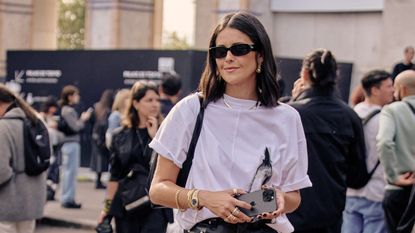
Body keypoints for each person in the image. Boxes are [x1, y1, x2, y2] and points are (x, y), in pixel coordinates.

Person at [148, 12, 312, 233]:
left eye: (239, 49)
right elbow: (158, 189)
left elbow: (294, 197)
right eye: (220, 51)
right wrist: (205, 198)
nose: (228, 58)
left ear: (260, 55)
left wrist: (277, 198)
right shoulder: (191, 110)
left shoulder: (287, 118)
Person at [287, 49, 367, 233]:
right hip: (330, 218)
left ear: (305, 74)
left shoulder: (289, 113)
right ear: (336, 76)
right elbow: (358, 177)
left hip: (290, 215)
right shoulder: (350, 116)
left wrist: (293, 99)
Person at [98, 81, 173, 233]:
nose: (155, 104)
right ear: (136, 104)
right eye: (149, 100)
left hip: (155, 206)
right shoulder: (120, 135)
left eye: (157, 100)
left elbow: (169, 167)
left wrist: (155, 139)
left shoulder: (165, 133)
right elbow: (114, 176)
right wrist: (106, 209)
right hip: (127, 204)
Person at [341, 70, 394, 233]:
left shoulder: (351, 114)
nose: (393, 90)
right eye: (389, 86)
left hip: (350, 189)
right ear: (375, 90)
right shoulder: (386, 118)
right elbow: (387, 148)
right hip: (376, 190)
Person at [0, 84, 46, 233]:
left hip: (8, 203)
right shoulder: (35, 122)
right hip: (32, 200)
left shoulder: (3, 127)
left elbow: (2, 171)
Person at [377, 70, 415, 233]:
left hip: (401, 186)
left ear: (403, 89)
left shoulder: (392, 110)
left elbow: (385, 142)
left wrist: (393, 176)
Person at [59, 85, 92, 209]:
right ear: (70, 96)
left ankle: (67, 197)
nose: (78, 97)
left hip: (69, 144)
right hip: (71, 143)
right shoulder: (68, 111)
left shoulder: (65, 110)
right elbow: (76, 127)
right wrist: (83, 119)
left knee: (69, 171)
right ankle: (68, 198)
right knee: (70, 172)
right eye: (76, 95)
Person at [40, 96, 64, 201]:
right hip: (46, 147)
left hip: (55, 146)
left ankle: (51, 193)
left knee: (55, 172)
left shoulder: (52, 117)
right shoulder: (41, 117)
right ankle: (46, 193)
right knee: (48, 172)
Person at [90, 89, 114, 189]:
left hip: (95, 136)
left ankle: (98, 180)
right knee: (102, 159)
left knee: (98, 159)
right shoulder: (108, 110)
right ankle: (99, 181)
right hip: (103, 137)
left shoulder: (96, 107)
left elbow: (91, 121)